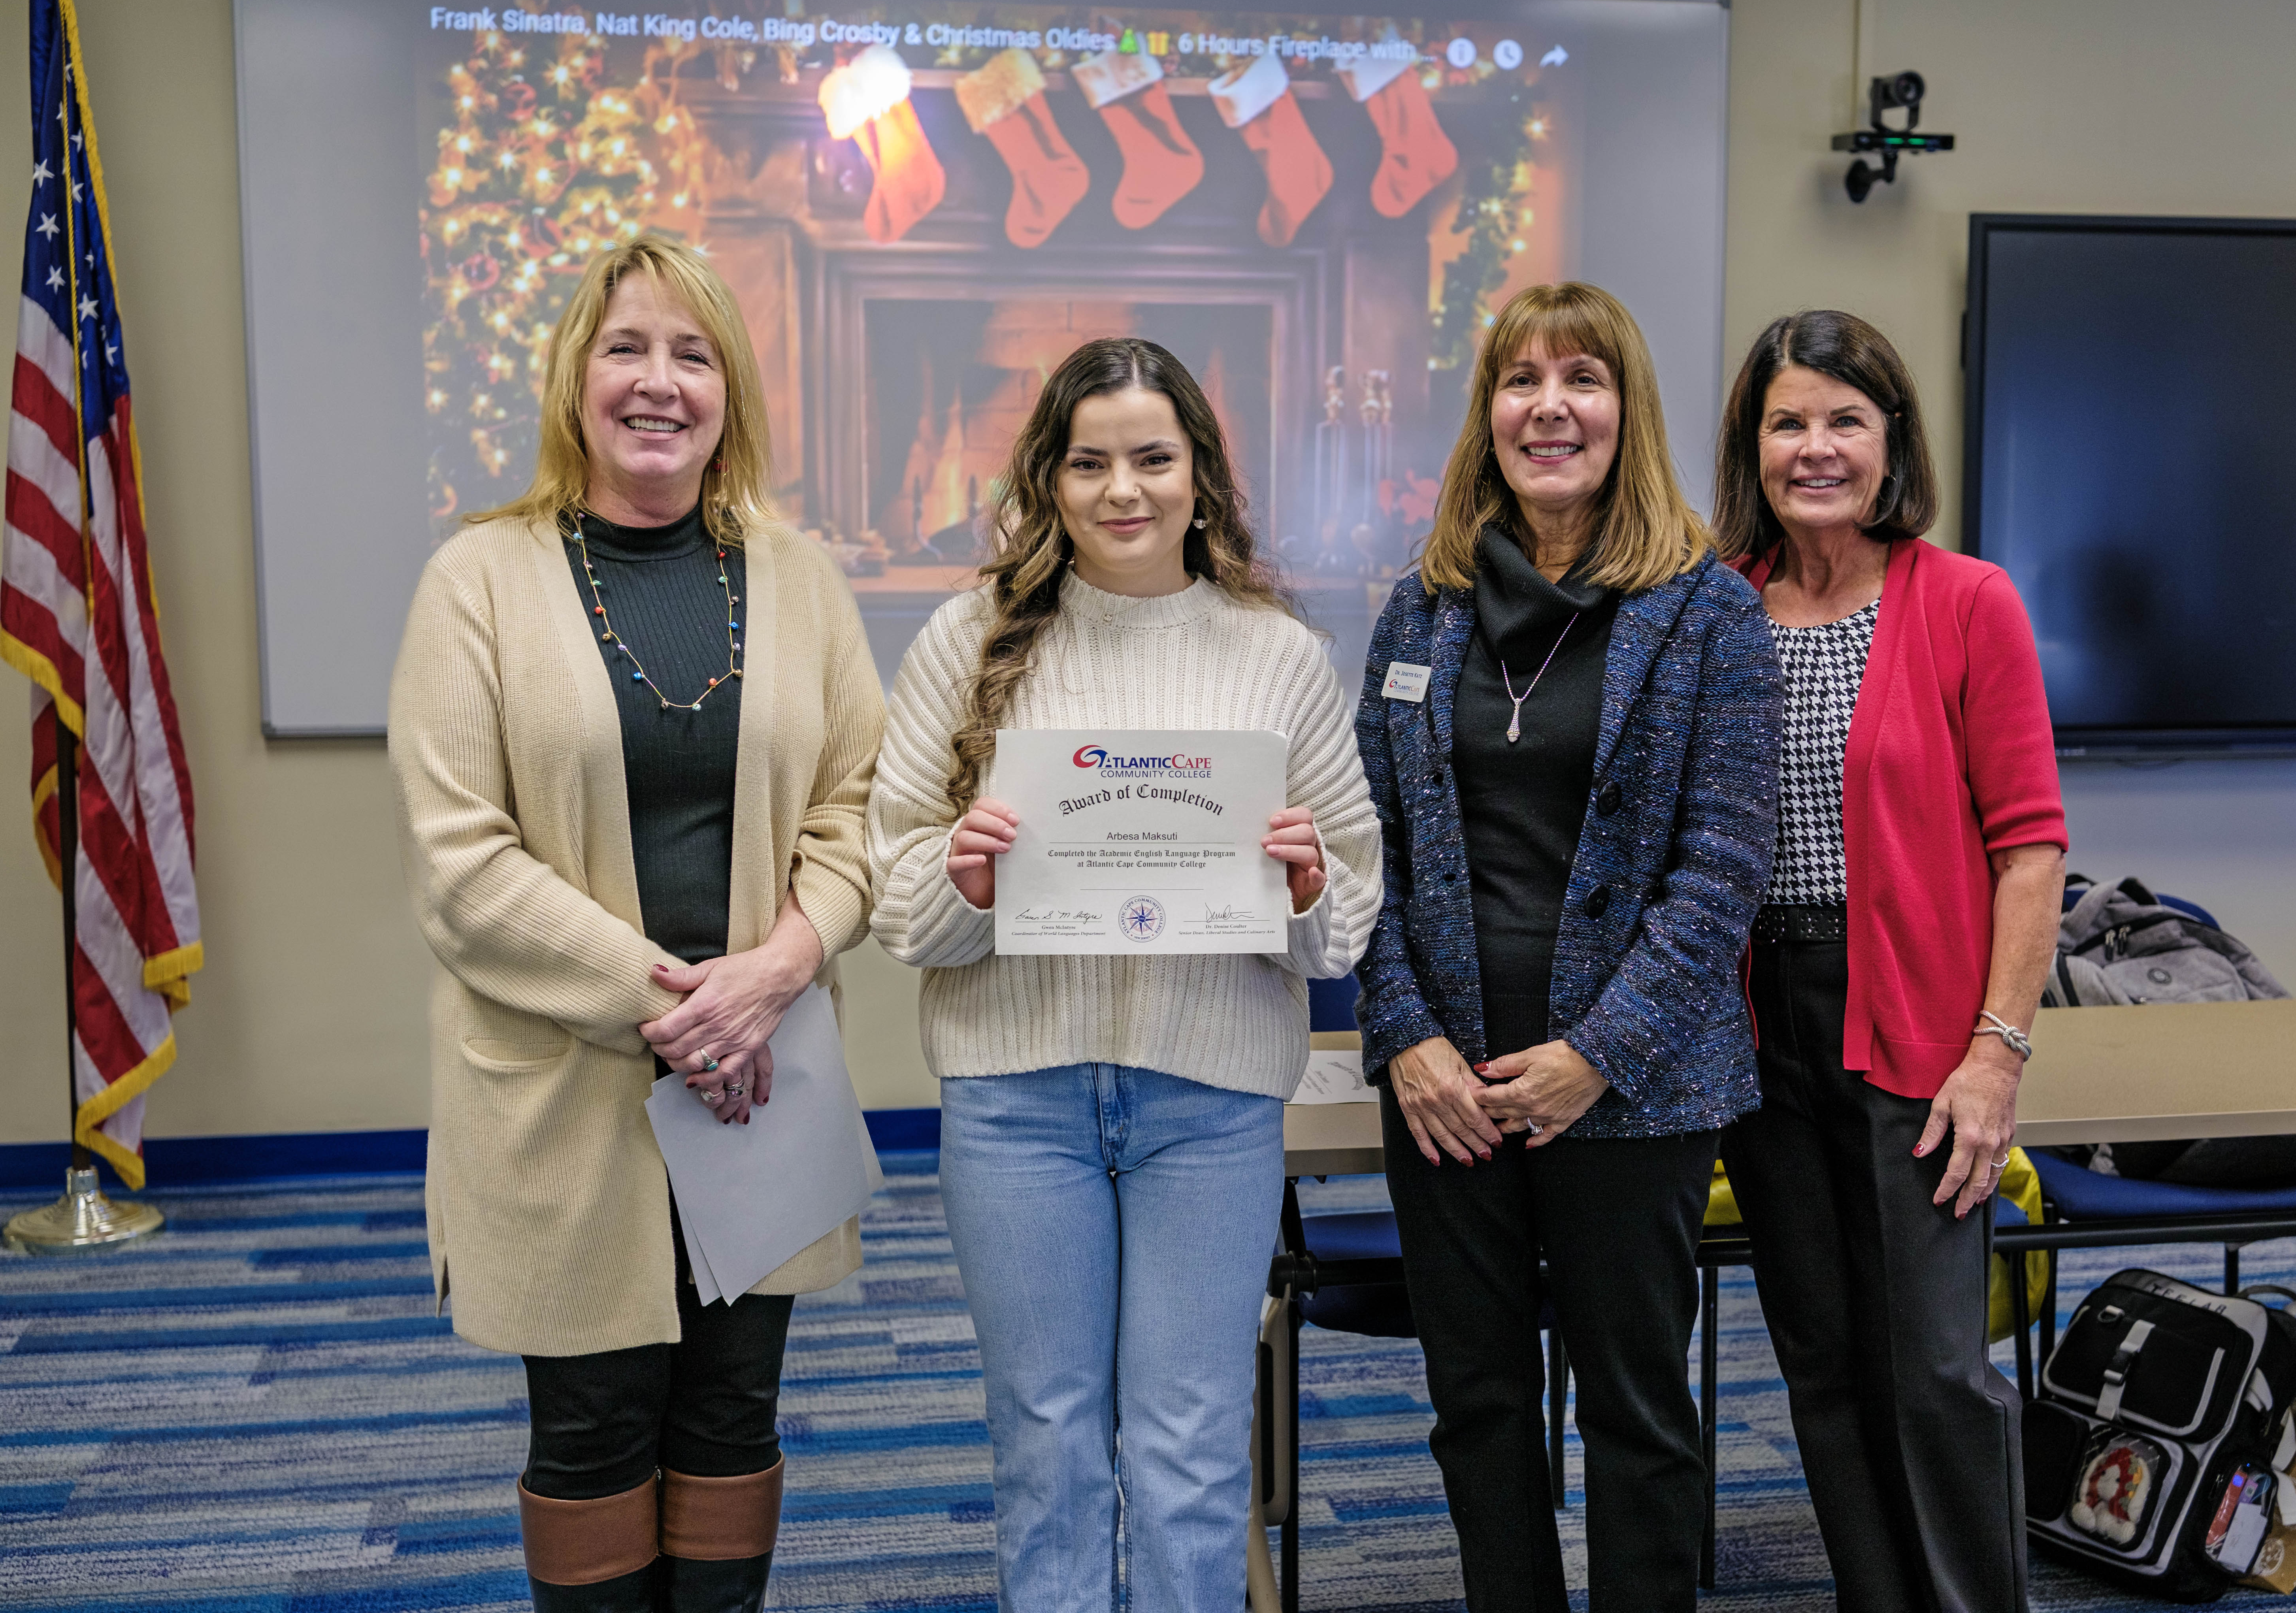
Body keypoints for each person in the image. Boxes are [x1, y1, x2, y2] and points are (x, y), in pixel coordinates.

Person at [389, 237, 882, 1613]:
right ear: (573, 378)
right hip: (567, 1090)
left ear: (730, 390)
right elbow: (461, 861)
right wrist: (680, 1004)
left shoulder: (802, 581)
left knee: (735, 1422)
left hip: (763, 1080)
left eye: (693, 352)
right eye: (627, 348)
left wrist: (779, 968)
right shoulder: (476, 581)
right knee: (594, 1432)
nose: (658, 382)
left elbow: (860, 810)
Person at [865, 337, 1382, 1612]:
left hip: (1208, 1106)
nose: (1123, 491)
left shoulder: (1277, 657)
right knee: (1043, 1443)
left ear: (1201, 474)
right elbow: (896, 902)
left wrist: (1307, 884)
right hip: (1015, 1099)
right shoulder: (963, 640)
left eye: (1153, 458)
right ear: (1050, 479)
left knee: (1192, 1450)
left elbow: (1347, 919)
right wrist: (966, 876)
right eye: (1089, 462)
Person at [1353, 281, 1782, 1611]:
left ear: (1625, 411)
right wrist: (1409, 1040)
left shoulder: (1707, 614)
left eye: (1581, 380)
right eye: (1521, 382)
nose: (1550, 408)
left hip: (1634, 1090)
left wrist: (1597, 1056)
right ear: (1488, 418)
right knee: (1476, 1403)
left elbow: (1725, 870)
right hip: (1447, 1089)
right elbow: (1366, 854)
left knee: (1637, 1411)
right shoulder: (1418, 615)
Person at [1711, 309, 2067, 1613]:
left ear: (1890, 439)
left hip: (1918, 1022)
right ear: (1752, 443)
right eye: (1787, 421)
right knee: (1821, 1356)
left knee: (1931, 1365)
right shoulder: (1717, 604)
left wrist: (1997, 1051)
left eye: (1844, 421)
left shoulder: (1968, 601)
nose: (1815, 448)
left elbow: (2030, 848)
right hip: (1756, 1029)